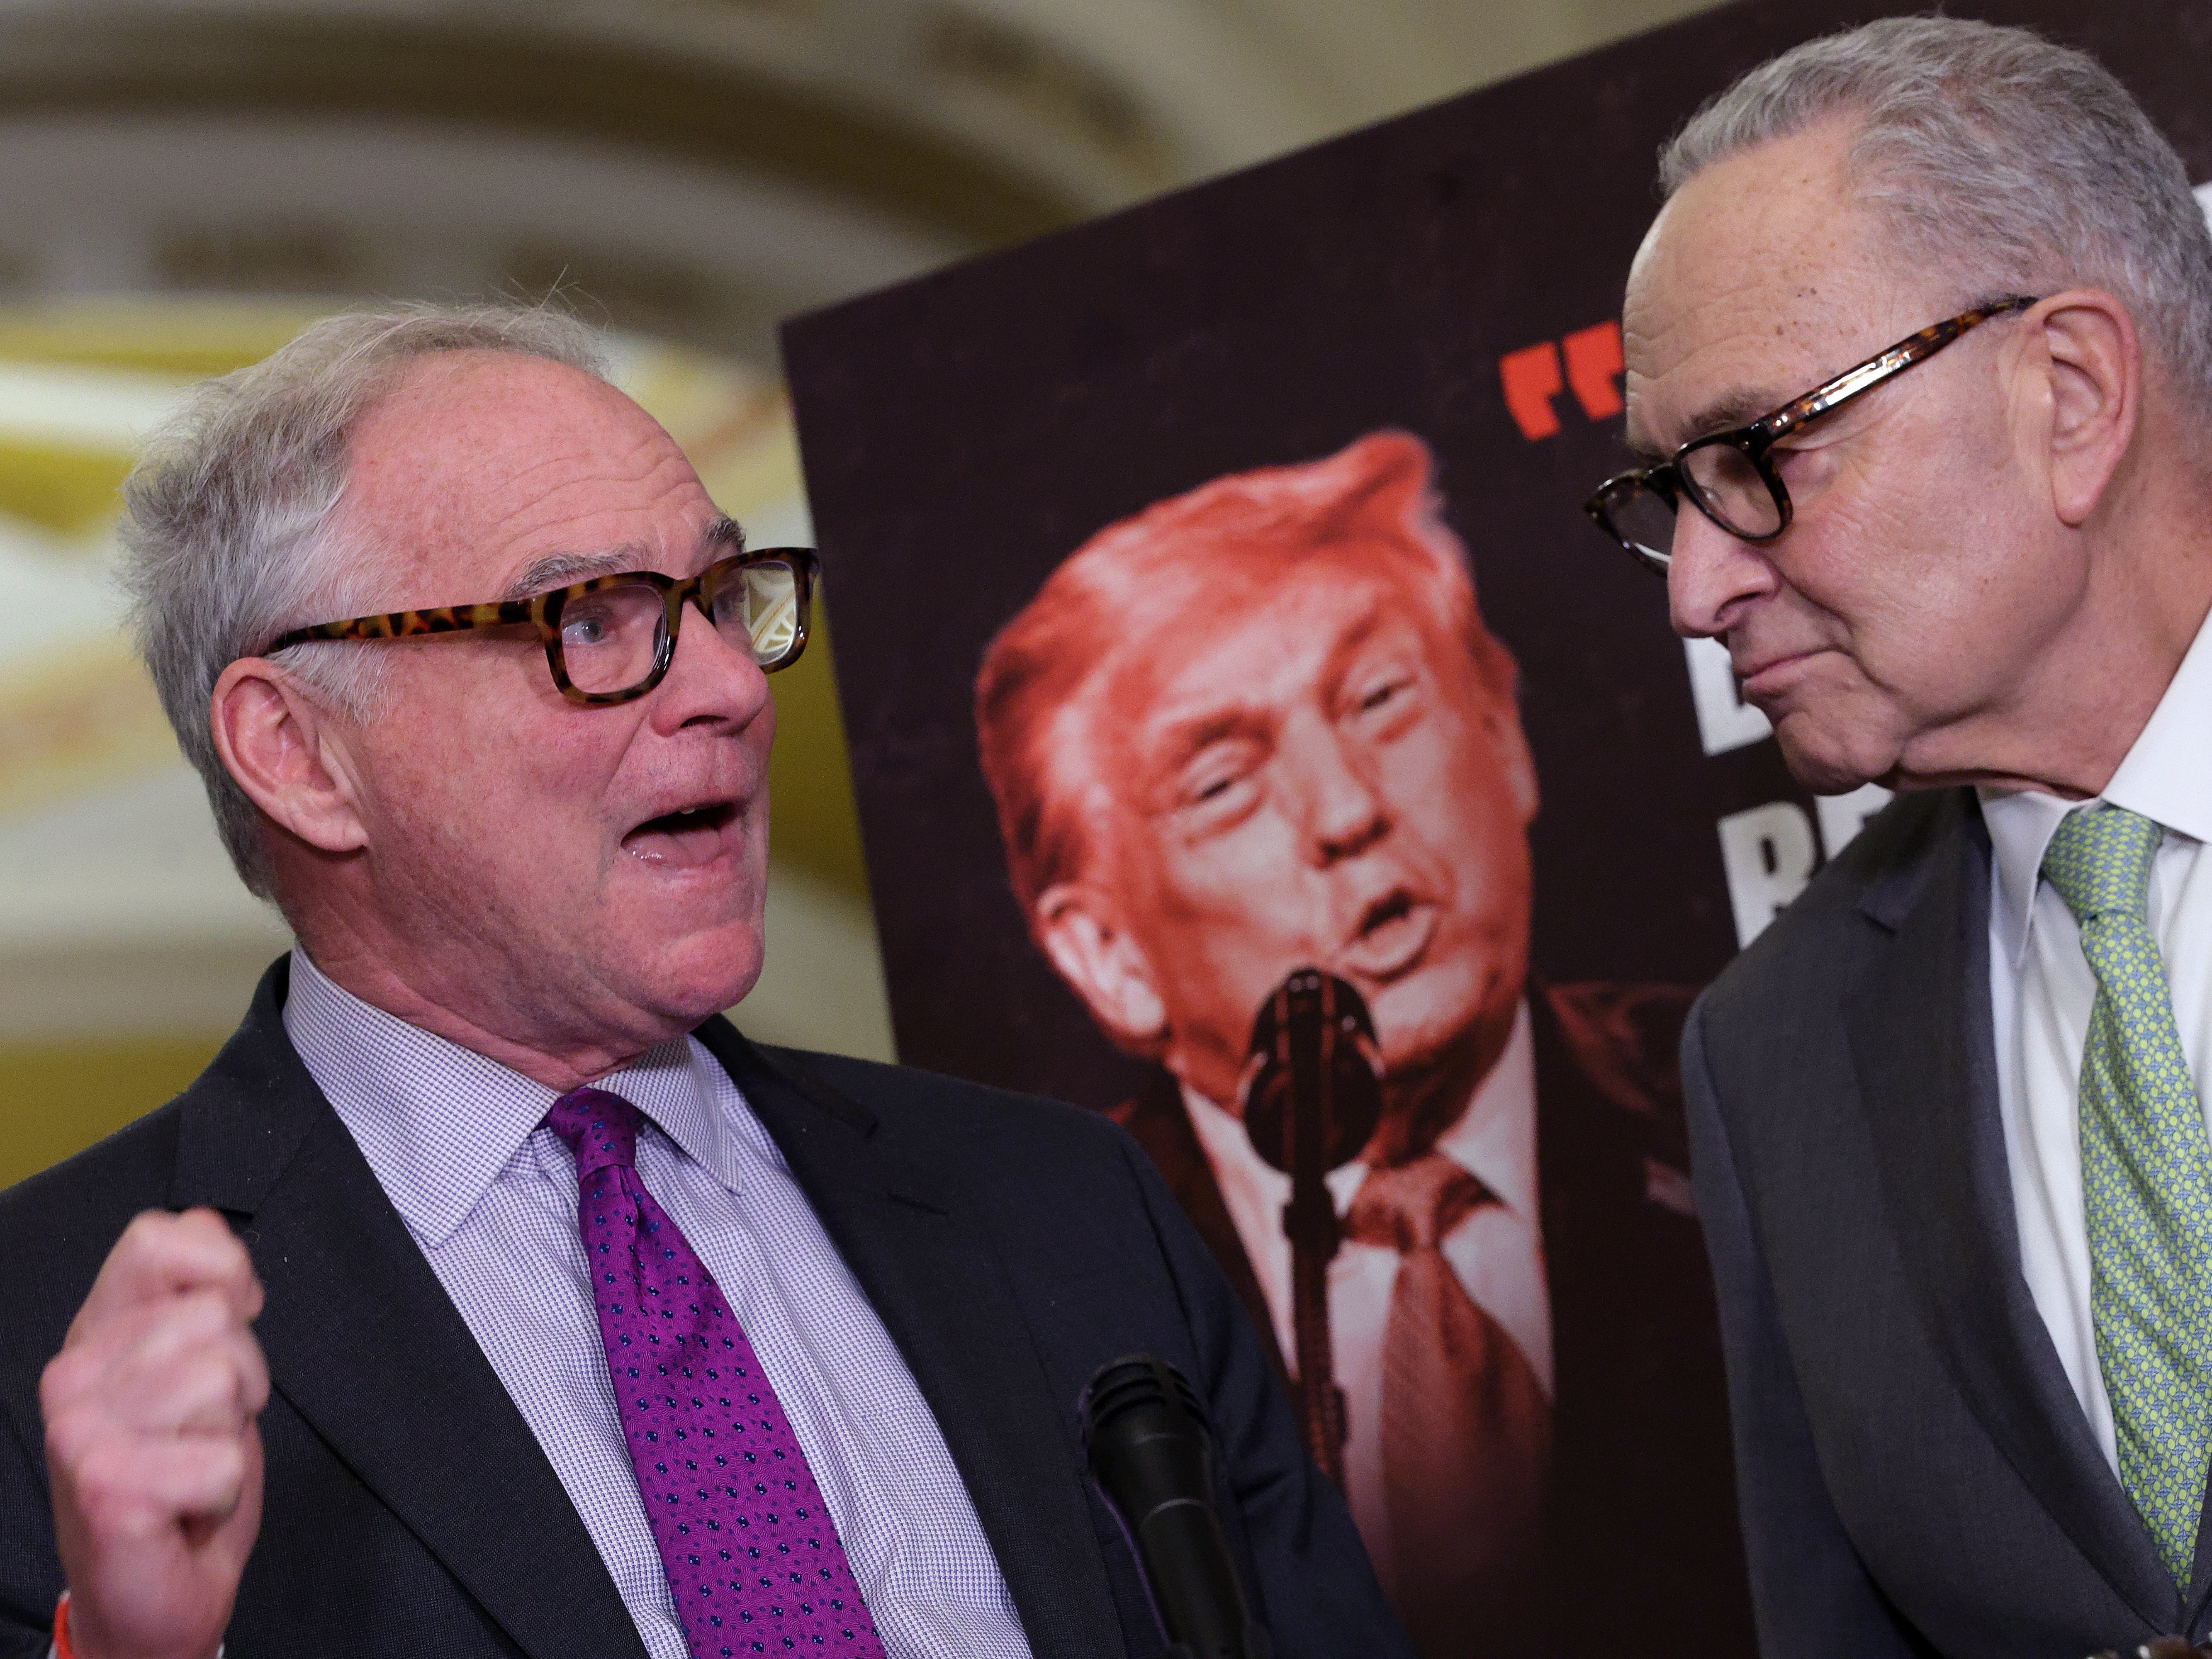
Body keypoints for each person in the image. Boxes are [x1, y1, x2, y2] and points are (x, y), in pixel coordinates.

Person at [0, 305, 1412, 1659]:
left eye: (725, 599)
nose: (732, 684)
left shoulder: (1069, 1209)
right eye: (593, 619)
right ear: (301, 755)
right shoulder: (41, 1342)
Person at [1592, 15, 2212, 1656]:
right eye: (1661, 494)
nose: (1694, 589)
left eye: (1755, 454)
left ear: (2068, 395)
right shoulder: (1774, 1047)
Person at [974, 428, 1752, 1657]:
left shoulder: (1758, 1102)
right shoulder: (1026, 1310)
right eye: (1224, 781)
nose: (1347, 811)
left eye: (1381, 701)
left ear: (1503, 734)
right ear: (1108, 957)